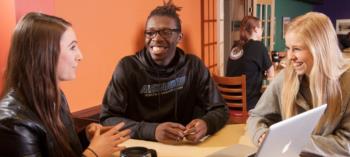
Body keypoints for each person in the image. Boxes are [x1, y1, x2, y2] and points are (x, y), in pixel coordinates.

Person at [0, 12, 130, 157]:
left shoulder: (56, 96)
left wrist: (86, 137)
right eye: (72, 47)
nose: (80, 56)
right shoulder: (13, 124)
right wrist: (94, 153)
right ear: (44, 53)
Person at [100, 1, 228, 144]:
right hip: (143, 148)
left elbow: (220, 109)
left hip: (186, 147)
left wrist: (206, 124)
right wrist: (152, 131)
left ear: (179, 37)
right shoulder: (127, 68)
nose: (156, 38)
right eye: (150, 32)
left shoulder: (193, 66)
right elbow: (108, 119)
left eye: (166, 32)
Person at [247, 12, 350, 156]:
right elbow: (256, 116)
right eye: (288, 48)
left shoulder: (346, 83)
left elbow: (346, 144)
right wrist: (262, 135)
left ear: (320, 49)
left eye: (297, 49)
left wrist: (294, 141)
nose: (289, 57)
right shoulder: (285, 78)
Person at [226, 16, 274, 111]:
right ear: (255, 29)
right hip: (248, 105)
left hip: (230, 103)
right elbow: (271, 74)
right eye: (261, 28)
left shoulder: (235, 47)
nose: (262, 31)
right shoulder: (259, 46)